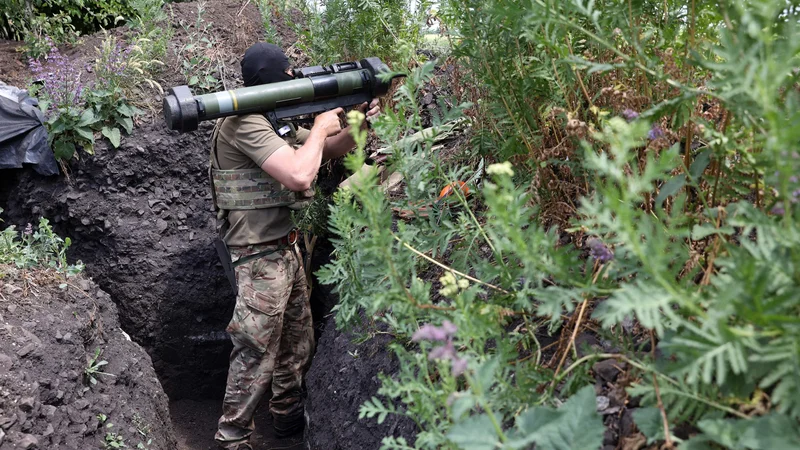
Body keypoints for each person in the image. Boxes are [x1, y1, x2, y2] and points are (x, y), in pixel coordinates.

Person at [210, 42, 380, 450]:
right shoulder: (243, 123)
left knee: (297, 343)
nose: (292, 78)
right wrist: (321, 127)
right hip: (257, 256)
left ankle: (285, 421)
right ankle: (232, 437)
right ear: (274, 76)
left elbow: (332, 149)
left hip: (286, 248)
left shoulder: (271, 122)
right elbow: (301, 175)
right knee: (255, 352)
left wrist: (357, 119)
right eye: (287, 72)